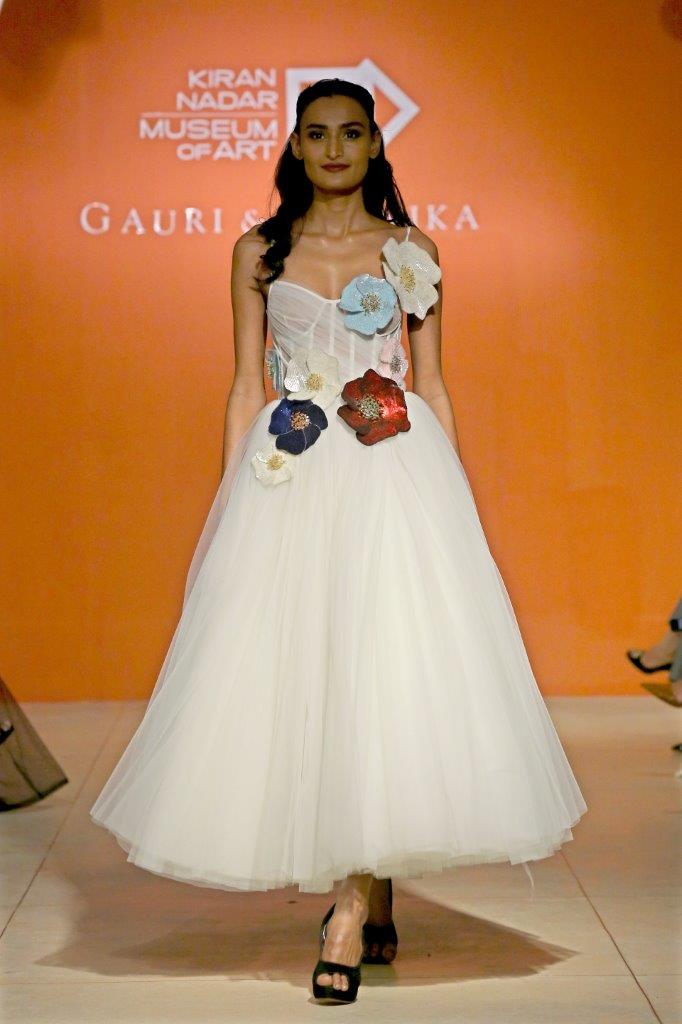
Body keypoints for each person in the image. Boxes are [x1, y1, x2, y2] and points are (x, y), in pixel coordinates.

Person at [89, 78, 587, 1005]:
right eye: (316, 133)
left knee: (382, 672)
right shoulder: (257, 252)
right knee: (311, 675)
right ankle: (372, 882)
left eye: (350, 132)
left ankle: (350, 914)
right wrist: (233, 500)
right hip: (291, 471)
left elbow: (431, 381)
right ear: (295, 145)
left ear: (374, 144)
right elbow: (247, 383)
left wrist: (454, 495)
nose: (332, 149)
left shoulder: (411, 250)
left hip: (394, 469)